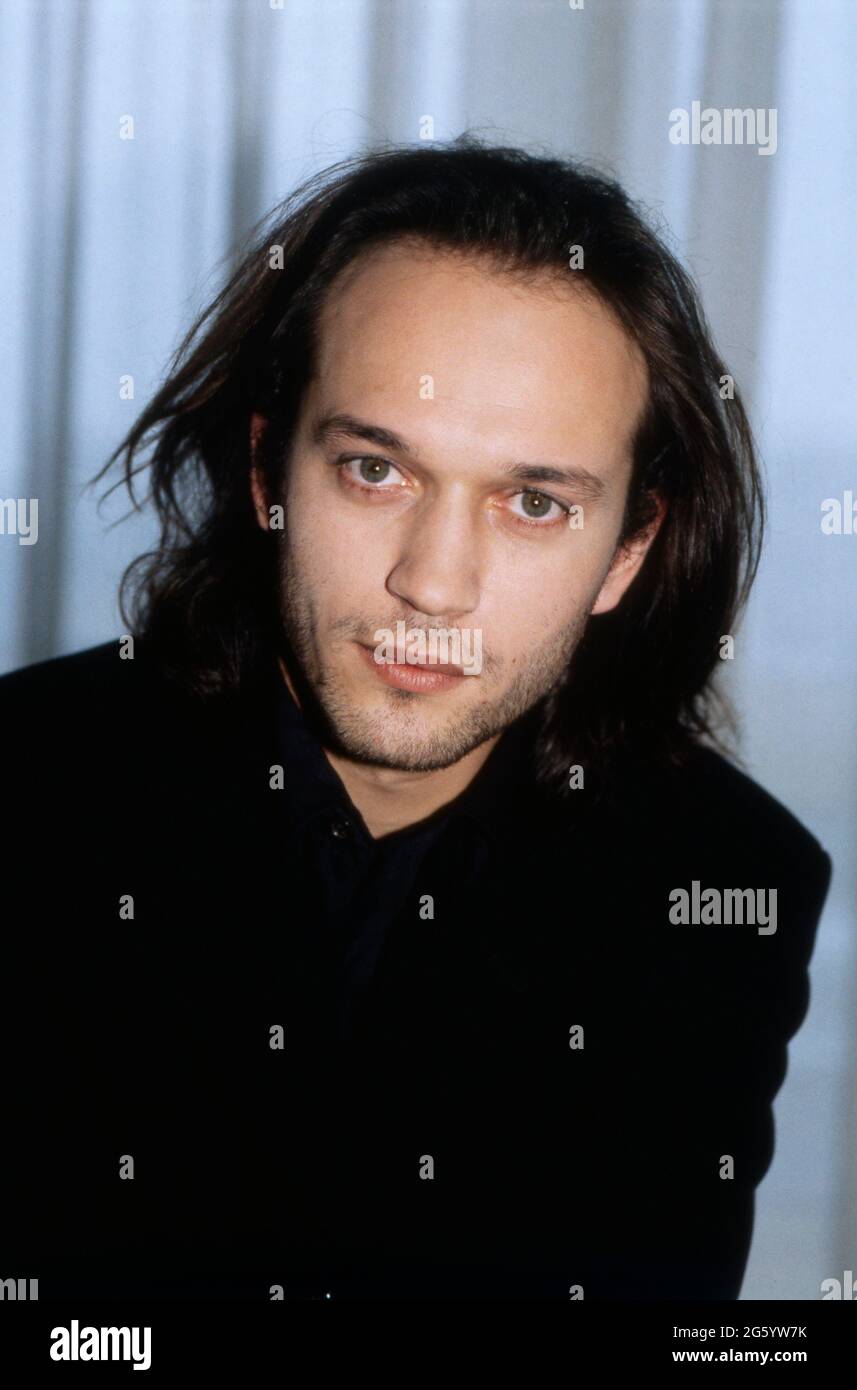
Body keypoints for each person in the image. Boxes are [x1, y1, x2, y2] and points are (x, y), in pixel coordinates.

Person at [0, 138, 832, 1300]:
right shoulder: (20, 795)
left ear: (627, 550)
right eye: (375, 472)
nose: (433, 585)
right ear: (267, 474)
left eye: (533, 502)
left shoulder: (717, 880)